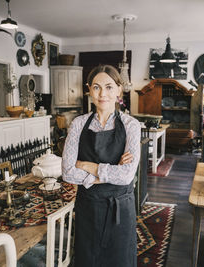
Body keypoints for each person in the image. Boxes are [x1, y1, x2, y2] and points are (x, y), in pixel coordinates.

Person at [62, 65, 141, 267]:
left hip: (120, 211)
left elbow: (126, 176)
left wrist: (88, 166)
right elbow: (68, 172)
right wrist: (109, 171)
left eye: (109, 87)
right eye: (96, 87)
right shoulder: (78, 124)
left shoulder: (132, 125)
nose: (102, 93)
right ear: (89, 90)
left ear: (118, 91)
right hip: (88, 208)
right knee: (87, 260)